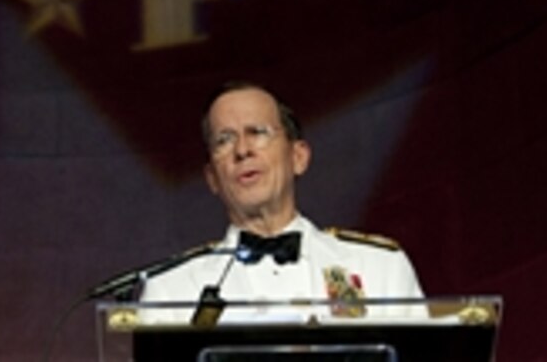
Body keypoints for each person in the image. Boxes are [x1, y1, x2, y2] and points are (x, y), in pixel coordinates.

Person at [138, 81, 424, 324]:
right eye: (224, 140)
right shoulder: (170, 291)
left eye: (258, 133)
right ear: (212, 177)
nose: (242, 150)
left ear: (298, 157)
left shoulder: (380, 268)